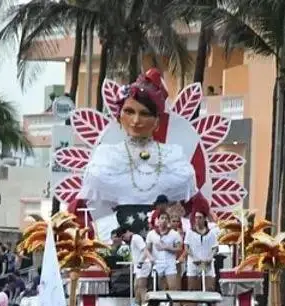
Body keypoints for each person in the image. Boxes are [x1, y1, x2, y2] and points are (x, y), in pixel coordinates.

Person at [77, 68, 197, 241]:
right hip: (115, 239)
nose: (136, 121)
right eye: (129, 112)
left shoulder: (173, 156)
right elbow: (85, 208)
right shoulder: (106, 156)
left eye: (144, 114)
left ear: (157, 121)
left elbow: (196, 207)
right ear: (119, 116)